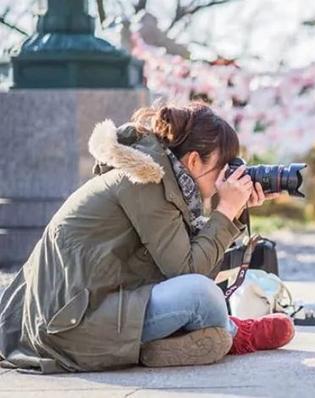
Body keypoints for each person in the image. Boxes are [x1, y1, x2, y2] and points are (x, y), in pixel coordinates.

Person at [0, 102, 295, 373]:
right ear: (193, 161)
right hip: (70, 328)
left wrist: (233, 213)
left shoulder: (161, 181)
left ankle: (171, 345)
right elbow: (190, 273)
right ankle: (236, 335)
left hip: (83, 313)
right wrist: (226, 210)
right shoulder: (145, 182)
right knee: (201, 295)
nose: (225, 179)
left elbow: (192, 266)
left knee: (201, 293)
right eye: (222, 168)